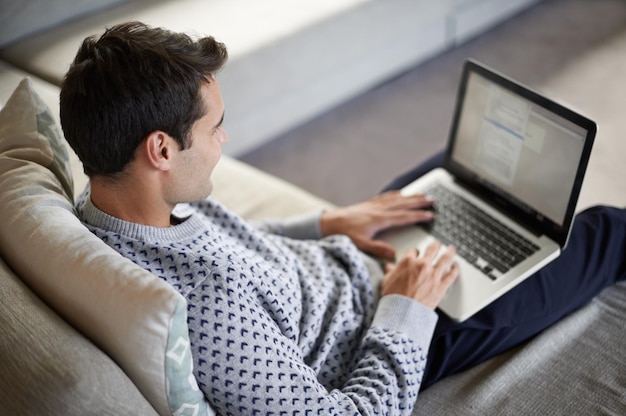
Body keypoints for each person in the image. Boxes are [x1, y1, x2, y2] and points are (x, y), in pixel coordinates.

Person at [59, 21, 626, 415]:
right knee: (603, 231)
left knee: (460, 180)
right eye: (214, 128)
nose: (223, 141)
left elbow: (242, 244)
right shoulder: (207, 311)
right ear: (160, 150)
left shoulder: (111, 204)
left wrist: (332, 222)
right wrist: (407, 306)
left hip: (343, 266)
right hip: (383, 331)